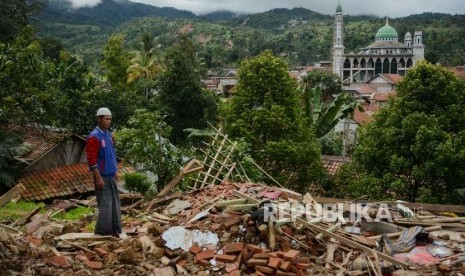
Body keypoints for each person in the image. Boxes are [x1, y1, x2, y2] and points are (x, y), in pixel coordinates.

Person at [86, 107, 122, 237]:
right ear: (99, 119)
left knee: (114, 205)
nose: (108, 121)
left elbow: (112, 154)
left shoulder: (108, 135)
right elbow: (91, 158)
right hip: (102, 176)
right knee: (105, 206)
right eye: (106, 119)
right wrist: (98, 177)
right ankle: (102, 233)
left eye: (110, 119)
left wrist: (116, 170)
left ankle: (114, 231)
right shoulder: (93, 137)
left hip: (111, 176)